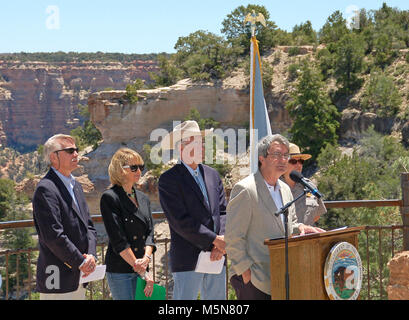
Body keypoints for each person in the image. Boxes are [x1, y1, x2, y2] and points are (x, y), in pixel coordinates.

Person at [225, 134, 324, 300]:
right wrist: (245, 272)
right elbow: (233, 236)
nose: (283, 160)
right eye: (277, 155)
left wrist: (300, 227)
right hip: (254, 278)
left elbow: (288, 225)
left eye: (286, 156)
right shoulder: (245, 189)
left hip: (279, 276)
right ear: (262, 158)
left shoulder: (285, 190)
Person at [158, 120, 228, 300]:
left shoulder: (213, 174)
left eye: (201, 142)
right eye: (196, 142)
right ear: (181, 148)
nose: (202, 147)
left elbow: (222, 212)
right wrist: (215, 241)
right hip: (188, 259)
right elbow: (180, 221)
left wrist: (220, 243)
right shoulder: (168, 180)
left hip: (217, 257)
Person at [32, 134, 97, 300]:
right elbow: (53, 235)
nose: (76, 154)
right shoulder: (46, 189)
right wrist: (81, 262)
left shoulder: (76, 186)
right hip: (57, 279)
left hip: (79, 277)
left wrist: (91, 256)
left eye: (76, 149)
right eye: (70, 150)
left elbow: (88, 227)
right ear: (54, 157)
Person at [100, 148, 156, 300]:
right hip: (121, 271)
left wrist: (146, 259)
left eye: (141, 167)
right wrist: (141, 269)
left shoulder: (143, 198)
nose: (139, 171)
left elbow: (150, 232)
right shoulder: (110, 198)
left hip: (142, 265)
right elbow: (118, 239)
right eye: (133, 167)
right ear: (120, 169)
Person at [281, 143, 327, 226]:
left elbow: (317, 215)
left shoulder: (309, 185)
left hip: (308, 236)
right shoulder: (275, 187)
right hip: (286, 237)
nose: (299, 165)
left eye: (301, 161)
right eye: (293, 161)